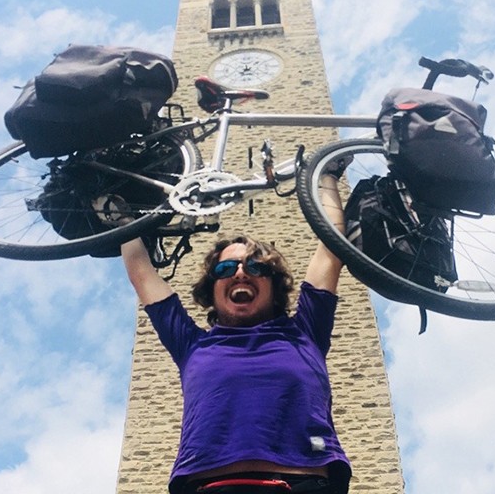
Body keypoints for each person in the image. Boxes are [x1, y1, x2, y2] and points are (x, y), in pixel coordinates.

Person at [120, 171, 351, 494]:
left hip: (303, 484)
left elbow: (331, 248)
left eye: (256, 267)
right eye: (226, 269)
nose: (241, 273)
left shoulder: (306, 331)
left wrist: (327, 175)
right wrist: (122, 215)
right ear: (212, 288)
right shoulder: (191, 344)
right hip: (207, 486)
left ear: (273, 285)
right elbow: (141, 274)